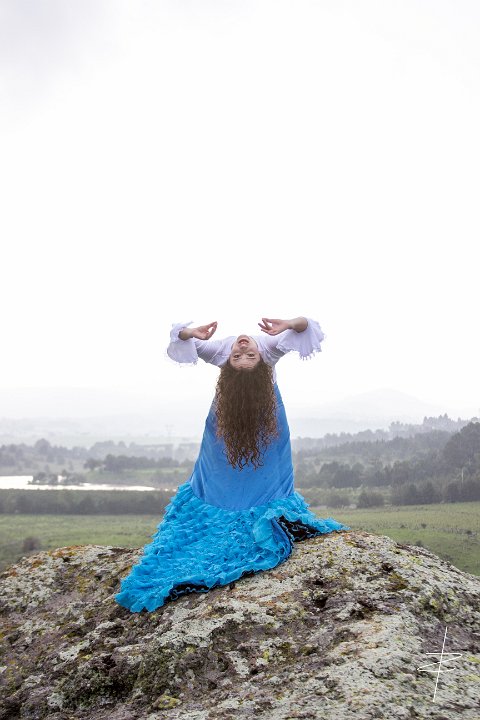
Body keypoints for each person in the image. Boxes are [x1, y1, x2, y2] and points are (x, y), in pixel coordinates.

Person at [114, 316, 350, 613]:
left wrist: (290, 324)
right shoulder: (265, 348)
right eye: (241, 356)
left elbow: (306, 328)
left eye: (245, 356)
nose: (241, 350)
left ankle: (258, 510)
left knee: (268, 474)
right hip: (226, 424)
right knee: (218, 474)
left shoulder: (244, 350)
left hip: (267, 423)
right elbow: (180, 338)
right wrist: (289, 325)